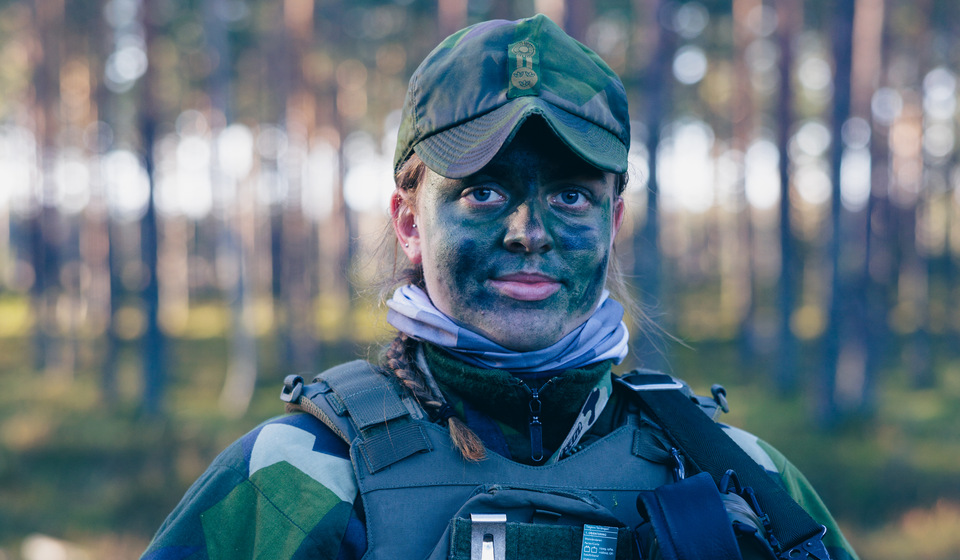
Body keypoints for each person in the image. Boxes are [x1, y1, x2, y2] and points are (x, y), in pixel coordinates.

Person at [141, 14, 858, 560]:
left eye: (571, 197)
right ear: (410, 221)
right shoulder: (298, 478)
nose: (529, 231)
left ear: (614, 222)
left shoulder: (741, 479)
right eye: (483, 192)